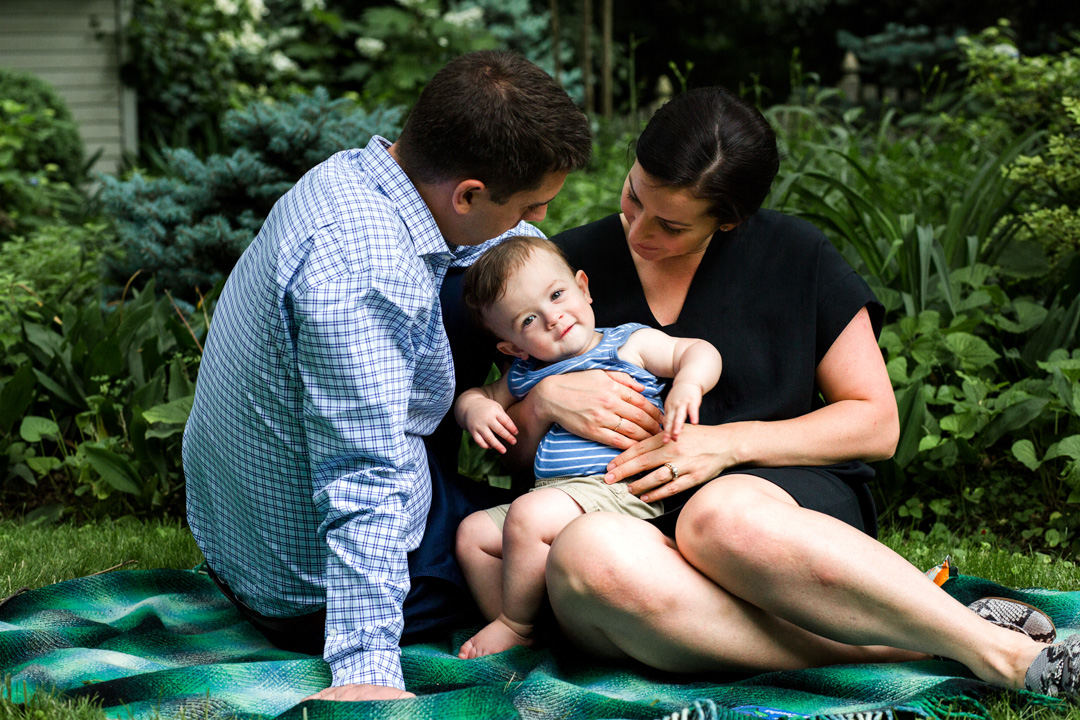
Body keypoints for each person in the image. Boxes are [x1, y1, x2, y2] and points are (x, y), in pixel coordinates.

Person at [464, 86, 1078, 699]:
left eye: (671, 224)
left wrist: (726, 446)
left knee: (717, 516)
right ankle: (930, 637)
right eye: (634, 195)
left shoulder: (796, 255)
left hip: (774, 509)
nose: (639, 227)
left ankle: (1006, 657)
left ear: (727, 220)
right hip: (622, 523)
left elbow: (876, 424)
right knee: (588, 555)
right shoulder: (553, 274)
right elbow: (521, 471)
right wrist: (544, 404)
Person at [182, 50, 592, 703]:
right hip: (304, 586)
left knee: (492, 286)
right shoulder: (364, 275)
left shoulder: (359, 176)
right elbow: (361, 479)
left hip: (243, 531)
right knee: (584, 554)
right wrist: (366, 668)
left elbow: (486, 251)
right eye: (530, 207)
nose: (536, 221)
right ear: (468, 194)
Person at [450, 235, 722, 659]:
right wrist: (473, 412)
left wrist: (688, 383)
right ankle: (528, 625)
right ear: (512, 348)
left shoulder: (627, 344)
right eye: (528, 320)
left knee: (526, 515)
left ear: (583, 287)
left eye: (557, 295)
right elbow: (479, 396)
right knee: (474, 536)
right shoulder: (526, 372)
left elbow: (697, 350)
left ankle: (514, 626)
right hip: (555, 497)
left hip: (619, 487)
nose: (553, 318)